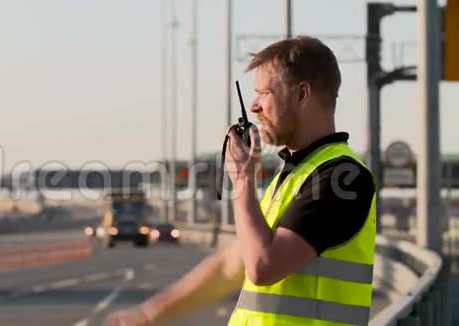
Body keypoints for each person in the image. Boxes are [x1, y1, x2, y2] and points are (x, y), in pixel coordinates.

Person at [104, 35, 377, 326]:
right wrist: (150, 315)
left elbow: (263, 266)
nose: (254, 106)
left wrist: (244, 182)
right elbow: (230, 265)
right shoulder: (294, 175)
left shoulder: (342, 178)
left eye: (264, 93)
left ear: (301, 94)